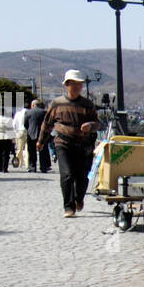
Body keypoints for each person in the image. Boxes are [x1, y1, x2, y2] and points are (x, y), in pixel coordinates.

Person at [37, 70, 100, 217]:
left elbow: (98, 124)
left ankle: (79, 198)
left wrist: (90, 125)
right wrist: (41, 141)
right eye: (74, 84)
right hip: (63, 143)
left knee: (82, 176)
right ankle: (68, 207)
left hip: (83, 145)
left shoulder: (87, 104)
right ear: (67, 85)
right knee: (67, 174)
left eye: (80, 84)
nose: (78, 87)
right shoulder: (56, 104)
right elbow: (47, 124)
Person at [24, 99, 49, 173]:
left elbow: (25, 123)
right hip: (42, 134)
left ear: (33, 105)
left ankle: (32, 167)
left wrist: (29, 129)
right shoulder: (44, 112)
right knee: (43, 152)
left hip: (31, 134)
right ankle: (43, 167)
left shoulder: (28, 112)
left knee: (31, 152)